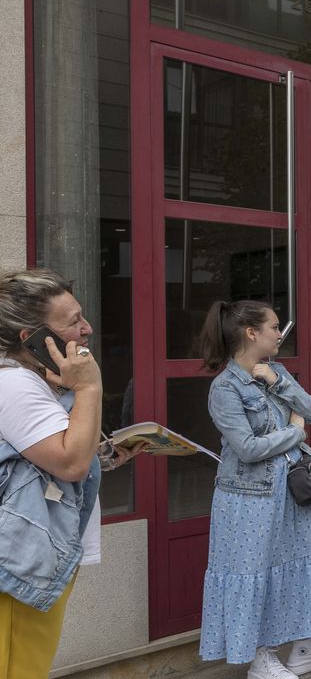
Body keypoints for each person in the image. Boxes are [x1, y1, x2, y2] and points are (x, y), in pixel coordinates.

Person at [196, 300, 311, 678]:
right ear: (251, 333)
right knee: (255, 571)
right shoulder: (225, 387)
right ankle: (261, 659)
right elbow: (246, 448)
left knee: (305, 559)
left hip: (291, 490)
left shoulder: (277, 371)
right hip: (249, 498)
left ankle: (306, 649)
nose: (280, 334)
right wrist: (293, 433)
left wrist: (280, 385)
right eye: (274, 327)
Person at [0, 269, 106, 678]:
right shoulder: (15, 386)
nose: (86, 328)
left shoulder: (36, 380)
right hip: (20, 563)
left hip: (39, 551)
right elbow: (70, 463)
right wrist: (89, 390)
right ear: (31, 336)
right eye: (73, 321)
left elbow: (52, 458)